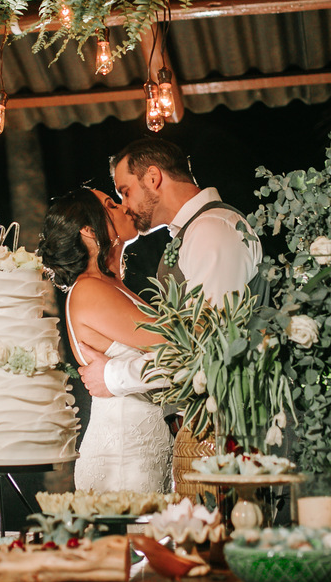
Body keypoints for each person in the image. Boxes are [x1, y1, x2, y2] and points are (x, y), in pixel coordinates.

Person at [77, 137, 263, 399]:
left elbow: (208, 345)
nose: (126, 207)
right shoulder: (196, 231)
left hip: (241, 415)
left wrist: (114, 376)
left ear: (153, 177)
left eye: (125, 191)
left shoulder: (210, 230)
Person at [39, 187, 172, 493]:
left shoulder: (115, 287)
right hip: (123, 460)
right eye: (112, 205)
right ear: (88, 230)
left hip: (144, 450)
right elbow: (177, 348)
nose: (125, 208)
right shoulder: (89, 290)